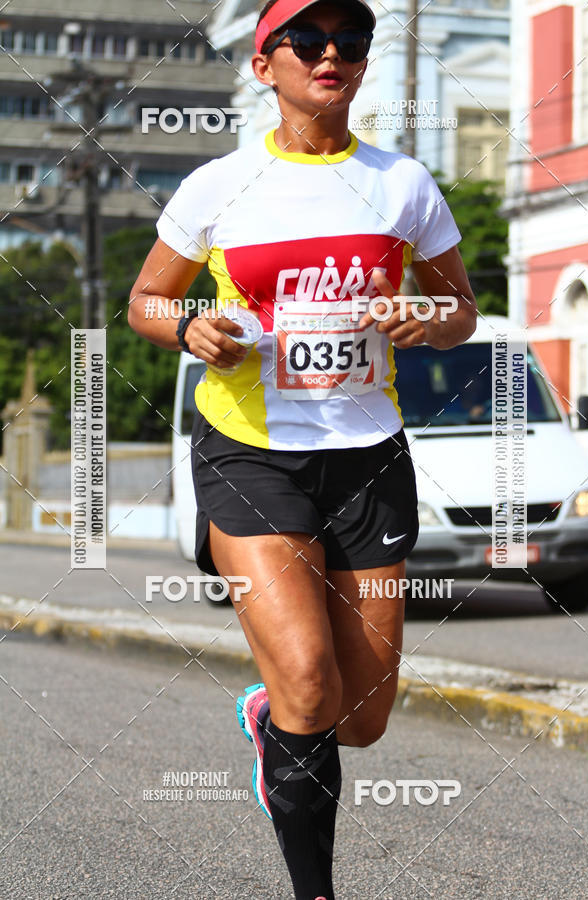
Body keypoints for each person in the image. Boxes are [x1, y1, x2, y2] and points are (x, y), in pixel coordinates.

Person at [128, 0, 477, 896]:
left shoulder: (405, 184)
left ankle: (266, 715)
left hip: (369, 455)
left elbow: (460, 310)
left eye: (350, 41)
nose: (332, 54)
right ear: (264, 62)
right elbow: (147, 303)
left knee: (359, 720)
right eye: (309, 40)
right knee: (313, 688)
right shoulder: (219, 185)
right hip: (250, 453)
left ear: (363, 63)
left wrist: (426, 314)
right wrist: (194, 323)